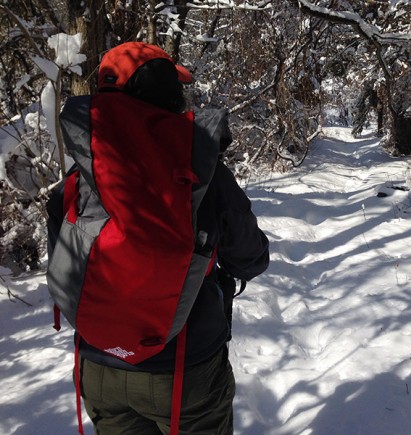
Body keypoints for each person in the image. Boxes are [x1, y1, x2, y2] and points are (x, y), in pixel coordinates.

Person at [46, 42, 269, 435]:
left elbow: (64, 260)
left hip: (99, 364)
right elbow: (249, 256)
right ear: (165, 93)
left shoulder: (81, 175)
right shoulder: (200, 167)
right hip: (185, 370)